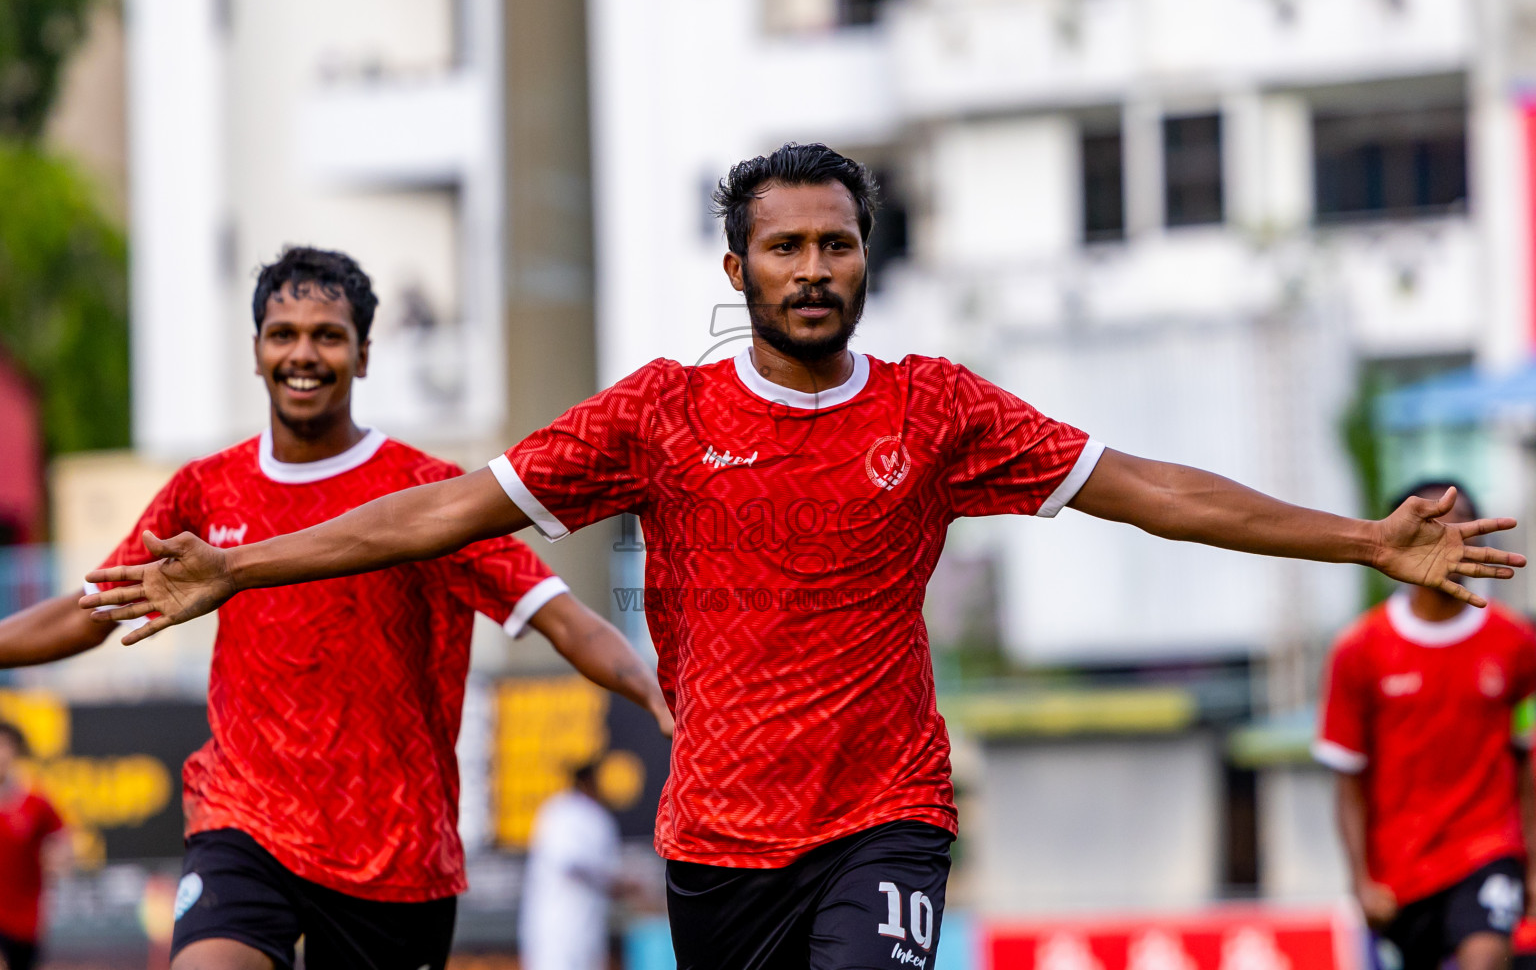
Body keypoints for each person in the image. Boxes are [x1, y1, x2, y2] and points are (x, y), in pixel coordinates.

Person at [80, 145, 1526, 970]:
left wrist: (1359, 538)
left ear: (865, 261)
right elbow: (437, 513)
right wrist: (246, 567)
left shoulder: (940, 411)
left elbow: (1146, 490)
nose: (815, 269)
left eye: (838, 245)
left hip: (882, 814)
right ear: (740, 272)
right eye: (788, 249)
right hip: (717, 840)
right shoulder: (658, 415)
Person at [0, 246, 670, 970]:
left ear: (364, 354)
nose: (303, 353)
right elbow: (90, 610)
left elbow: (562, 617)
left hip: (394, 853)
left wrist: (656, 694)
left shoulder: (431, 493)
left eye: (328, 334)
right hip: (244, 822)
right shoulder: (205, 490)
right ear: (256, 352)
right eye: (282, 333)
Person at [1315, 480, 1536, 970]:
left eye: (1464, 529)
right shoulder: (1360, 649)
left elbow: (1526, 756)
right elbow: (1347, 777)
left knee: (1485, 956)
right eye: (1435, 531)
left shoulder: (1517, 644)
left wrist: (1533, 863)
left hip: (1488, 847)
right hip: (1402, 869)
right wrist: (1359, 881)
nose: (1451, 543)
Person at [520, 759, 623, 970]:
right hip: (557, 924)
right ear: (586, 781)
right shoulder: (562, 811)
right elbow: (568, 861)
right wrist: (614, 879)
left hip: (589, 924)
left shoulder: (599, 816)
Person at [0, 720, 68, 970]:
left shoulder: (35, 803)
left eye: (4, 746)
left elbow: (61, 840)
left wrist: (58, 860)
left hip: (26, 919)